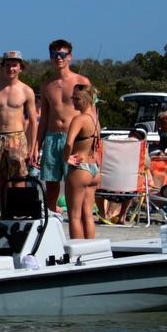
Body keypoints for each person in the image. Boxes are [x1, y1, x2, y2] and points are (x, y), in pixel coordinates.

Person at [34, 39, 94, 211]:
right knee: (51, 183)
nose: (58, 58)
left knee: (74, 181)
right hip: (52, 137)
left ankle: (78, 220)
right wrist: (36, 146)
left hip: (75, 139)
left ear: (70, 57)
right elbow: (44, 118)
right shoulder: (46, 85)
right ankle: (52, 217)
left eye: (62, 54)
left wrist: (96, 146)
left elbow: (92, 114)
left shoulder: (82, 81)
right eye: (54, 55)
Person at [0, 50, 38, 205]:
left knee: (18, 179)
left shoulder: (26, 90)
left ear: (20, 68)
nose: (11, 69)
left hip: (17, 138)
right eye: (8, 65)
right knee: (0, 179)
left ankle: (19, 212)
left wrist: (32, 148)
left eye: (15, 66)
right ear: (2, 66)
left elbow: (33, 121)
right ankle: (4, 214)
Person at [62, 84, 101, 240]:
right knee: (88, 215)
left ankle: (77, 252)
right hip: (93, 170)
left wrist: (66, 158)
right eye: (72, 98)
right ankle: (90, 249)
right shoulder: (95, 120)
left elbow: (69, 143)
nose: (73, 102)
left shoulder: (79, 119)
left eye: (77, 98)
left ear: (86, 99)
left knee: (74, 216)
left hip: (80, 169)